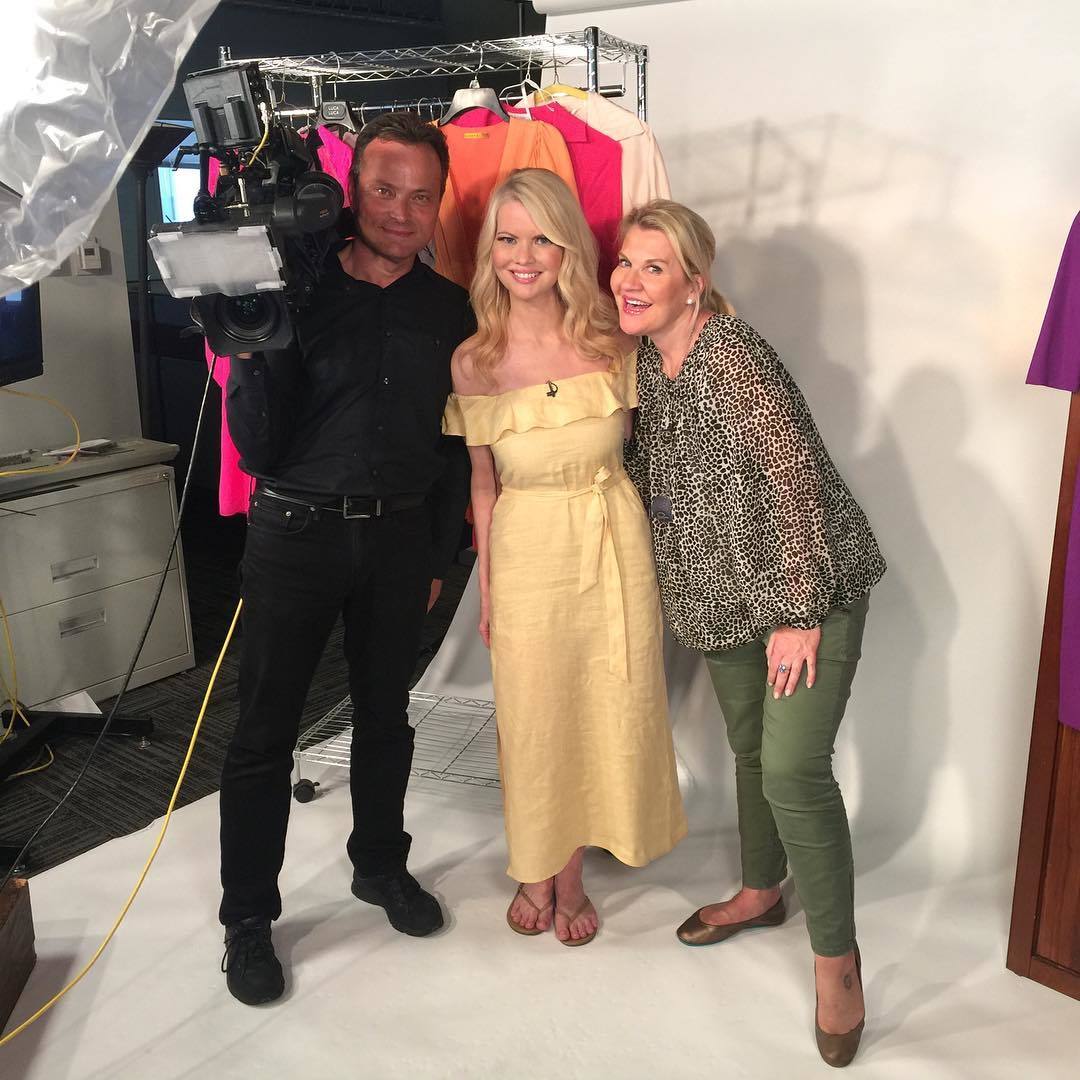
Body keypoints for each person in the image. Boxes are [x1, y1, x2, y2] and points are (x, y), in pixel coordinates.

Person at [613, 200, 885, 1066]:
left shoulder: (731, 352)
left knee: (795, 769)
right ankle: (762, 891)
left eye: (655, 267)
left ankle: (837, 965)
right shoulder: (646, 361)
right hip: (717, 597)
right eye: (625, 262)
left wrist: (797, 613)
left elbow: (794, 473)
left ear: (695, 283)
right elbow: (649, 471)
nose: (631, 280)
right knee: (752, 754)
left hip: (805, 590)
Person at [218, 113, 473, 1005]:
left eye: (421, 197)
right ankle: (248, 919)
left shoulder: (450, 309)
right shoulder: (292, 289)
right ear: (351, 189)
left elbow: (451, 447)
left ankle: (380, 865)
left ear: (438, 205)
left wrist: (438, 554)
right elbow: (256, 447)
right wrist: (254, 341)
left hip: (399, 540)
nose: (402, 212)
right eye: (384, 190)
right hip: (294, 533)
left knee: (386, 717)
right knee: (264, 733)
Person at [444, 169, 686, 946]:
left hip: (614, 539)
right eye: (507, 239)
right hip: (526, 549)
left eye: (541, 238)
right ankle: (535, 861)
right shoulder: (474, 361)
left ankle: (571, 869)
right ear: (490, 251)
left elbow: (658, 440)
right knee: (534, 715)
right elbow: (483, 485)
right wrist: (488, 590)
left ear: (568, 248)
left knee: (603, 704)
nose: (523, 256)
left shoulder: (613, 341)